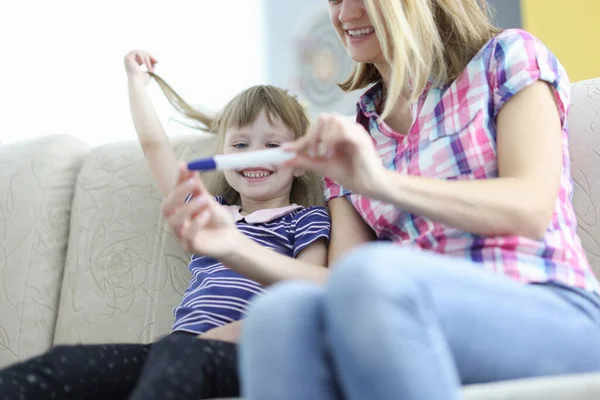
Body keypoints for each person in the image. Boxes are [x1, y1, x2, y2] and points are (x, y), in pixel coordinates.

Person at [237, 1, 600, 399]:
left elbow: (529, 207)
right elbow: (339, 284)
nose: (344, 15)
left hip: (547, 302)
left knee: (372, 277)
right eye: (335, 0)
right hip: (404, 311)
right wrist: (229, 246)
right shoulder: (355, 134)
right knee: (279, 316)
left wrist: (381, 182)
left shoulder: (506, 56)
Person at [0, 50, 331, 400]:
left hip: (251, 352)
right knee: (63, 365)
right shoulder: (207, 211)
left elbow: (306, 295)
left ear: (298, 163)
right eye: (240, 144)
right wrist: (136, 84)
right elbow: (154, 147)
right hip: (178, 348)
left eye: (272, 145)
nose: (253, 155)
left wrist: (235, 334)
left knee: (176, 356)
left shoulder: (305, 219)